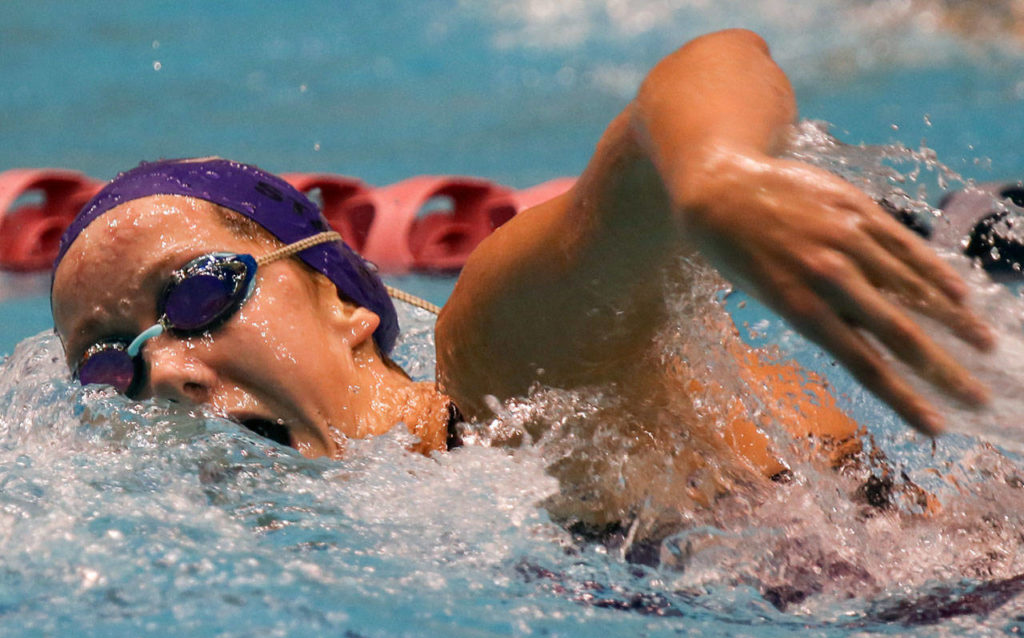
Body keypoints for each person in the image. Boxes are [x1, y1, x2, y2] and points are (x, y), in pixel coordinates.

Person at [49, 30, 995, 537]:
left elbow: (709, 66)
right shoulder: (415, 529)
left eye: (198, 294)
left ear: (342, 303)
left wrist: (712, 175)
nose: (162, 371)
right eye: (107, 366)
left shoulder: (505, 374)